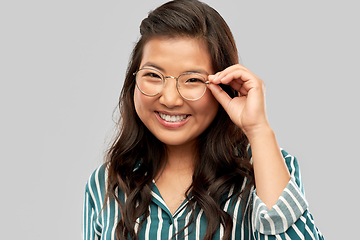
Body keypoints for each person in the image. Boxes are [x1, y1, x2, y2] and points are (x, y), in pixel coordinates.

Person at [82, 0, 324, 239]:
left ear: (223, 85)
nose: (169, 99)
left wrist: (258, 130)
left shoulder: (264, 169)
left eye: (193, 80)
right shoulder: (105, 183)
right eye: (154, 75)